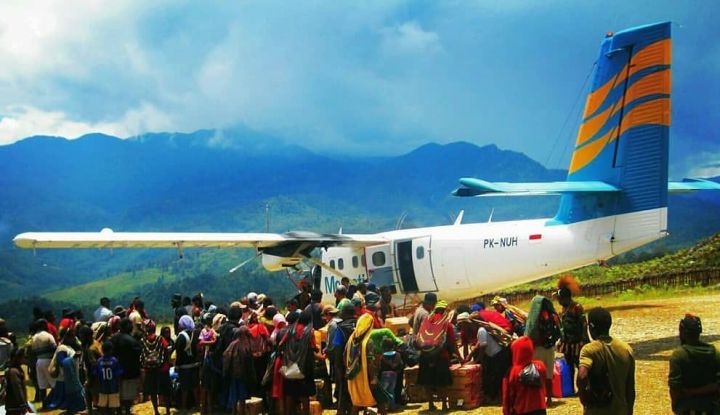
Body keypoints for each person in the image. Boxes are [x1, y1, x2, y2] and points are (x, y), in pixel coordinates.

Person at [577, 307, 635, 415]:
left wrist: (584, 399)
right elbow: (630, 388)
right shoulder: (626, 349)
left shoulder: (589, 349)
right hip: (620, 411)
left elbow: (582, 376)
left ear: (591, 327)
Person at [668, 314, 720, 414]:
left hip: (687, 408)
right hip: (712, 408)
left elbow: (674, 387)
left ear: (682, 333)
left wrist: (676, 405)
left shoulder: (678, 355)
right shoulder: (715, 353)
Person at [416, 300, 461, 411]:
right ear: (445, 311)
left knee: (427, 381)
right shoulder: (447, 324)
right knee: (442, 383)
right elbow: (452, 343)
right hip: (441, 357)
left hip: (425, 356)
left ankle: (431, 404)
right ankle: (445, 405)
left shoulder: (426, 322)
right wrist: (460, 357)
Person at [280, 310, 317, 415]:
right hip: (304, 367)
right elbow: (314, 347)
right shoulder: (310, 331)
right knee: (305, 394)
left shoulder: (290, 330)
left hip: (290, 365)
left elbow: (281, 343)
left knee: (290, 393)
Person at [526, 295, 561, 404]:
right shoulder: (553, 316)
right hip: (550, 348)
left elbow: (530, 332)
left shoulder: (535, 318)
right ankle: (549, 398)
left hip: (538, 348)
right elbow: (559, 332)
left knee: (537, 374)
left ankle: (539, 398)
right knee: (549, 374)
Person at [469, 313, 511, 404]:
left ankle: (497, 398)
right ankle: (498, 398)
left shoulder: (481, 330)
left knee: (495, 378)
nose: (470, 326)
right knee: (496, 377)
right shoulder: (483, 329)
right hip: (498, 354)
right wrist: (470, 356)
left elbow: (483, 346)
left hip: (497, 356)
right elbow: (479, 344)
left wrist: (478, 360)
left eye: (471, 324)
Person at [502, 336, 547, 415]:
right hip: (540, 409)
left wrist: (506, 412)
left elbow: (508, 396)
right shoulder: (540, 366)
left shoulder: (512, 372)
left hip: (521, 410)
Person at [556, 275, 588, 387]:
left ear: (565, 298)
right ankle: (570, 388)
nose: (558, 301)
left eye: (559, 299)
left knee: (579, 365)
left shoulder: (576, 307)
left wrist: (583, 340)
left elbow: (584, 324)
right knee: (569, 365)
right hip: (567, 343)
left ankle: (582, 387)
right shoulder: (564, 308)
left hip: (578, 342)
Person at [110, 318, 142, 415]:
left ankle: (119, 411)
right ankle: (127, 411)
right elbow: (138, 357)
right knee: (128, 396)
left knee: (118, 394)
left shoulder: (113, 339)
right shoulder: (132, 341)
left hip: (115, 372)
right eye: (130, 325)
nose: (132, 327)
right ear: (127, 326)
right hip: (129, 373)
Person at [223, 326, 256, 415]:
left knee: (234, 395)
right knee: (242, 397)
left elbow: (226, 357)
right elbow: (250, 363)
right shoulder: (247, 345)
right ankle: (242, 413)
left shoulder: (232, 344)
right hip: (244, 376)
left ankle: (234, 412)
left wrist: (226, 372)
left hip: (234, 374)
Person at [141, 320, 171, 415]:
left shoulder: (143, 340)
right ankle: (167, 411)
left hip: (149, 370)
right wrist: (166, 363)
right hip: (162, 369)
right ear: (154, 328)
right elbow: (166, 352)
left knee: (153, 392)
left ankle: (156, 411)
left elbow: (141, 355)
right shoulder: (160, 339)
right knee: (166, 391)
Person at [333, 304, 357, 415]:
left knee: (344, 387)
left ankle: (342, 410)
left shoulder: (340, 328)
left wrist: (337, 365)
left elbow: (337, 347)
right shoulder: (360, 324)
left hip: (345, 363)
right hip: (360, 362)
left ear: (346, 313)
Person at [175, 315, 201, 410]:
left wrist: (177, 366)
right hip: (194, 365)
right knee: (195, 387)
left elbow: (178, 352)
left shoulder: (181, 336)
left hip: (184, 366)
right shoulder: (195, 334)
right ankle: (198, 405)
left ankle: (184, 407)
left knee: (184, 388)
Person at [30, 318, 57, 404]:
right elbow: (54, 348)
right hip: (48, 360)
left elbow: (33, 352)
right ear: (43, 326)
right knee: (54, 383)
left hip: (38, 361)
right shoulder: (48, 335)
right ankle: (54, 402)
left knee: (42, 385)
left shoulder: (33, 338)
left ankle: (44, 404)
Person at [96, 341, 124, 415]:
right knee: (113, 408)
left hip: (102, 388)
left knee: (103, 408)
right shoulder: (114, 360)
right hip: (113, 388)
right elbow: (119, 374)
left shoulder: (99, 361)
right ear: (111, 350)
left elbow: (96, 374)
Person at [5, 348, 31, 415]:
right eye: (24, 357)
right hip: (15, 408)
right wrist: (23, 405)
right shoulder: (14, 372)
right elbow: (17, 389)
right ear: (17, 358)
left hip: (16, 407)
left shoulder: (16, 369)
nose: (25, 359)